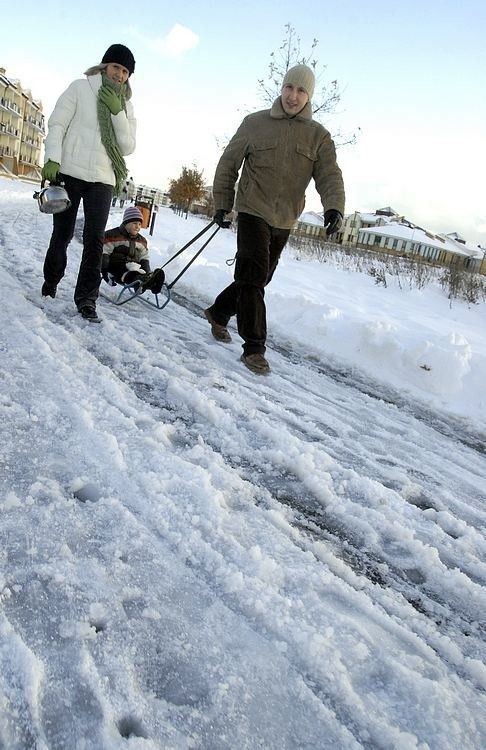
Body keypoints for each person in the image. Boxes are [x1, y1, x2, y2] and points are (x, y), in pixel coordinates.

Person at [204, 64, 345, 374]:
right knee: (253, 279)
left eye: (301, 90)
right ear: (282, 89)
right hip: (253, 209)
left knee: (257, 279)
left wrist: (333, 207)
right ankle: (254, 347)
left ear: (309, 96)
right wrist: (223, 204)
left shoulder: (319, 136)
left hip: (284, 218)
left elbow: (329, 174)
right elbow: (228, 164)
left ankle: (218, 312)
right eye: (289, 88)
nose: (293, 96)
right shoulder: (255, 124)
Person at [40, 43, 137, 322]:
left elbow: (128, 146)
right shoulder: (80, 88)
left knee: (94, 239)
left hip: (103, 179)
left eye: (126, 71)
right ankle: (52, 280)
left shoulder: (127, 107)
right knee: (63, 233)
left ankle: (86, 299)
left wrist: (117, 113)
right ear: (105, 66)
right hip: (70, 172)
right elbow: (57, 124)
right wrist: (53, 158)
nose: (120, 75)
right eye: (117, 67)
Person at [102, 205, 165, 294]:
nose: (137, 227)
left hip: (134, 266)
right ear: (126, 223)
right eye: (134, 223)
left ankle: (150, 282)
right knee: (130, 273)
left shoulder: (141, 241)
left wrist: (147, 271)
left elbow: (144, 258)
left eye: (139, 224)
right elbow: (104, 253)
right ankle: (140, 283)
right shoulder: (113, 236)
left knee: (139, 272)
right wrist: (104, 271)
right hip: (116, 267)